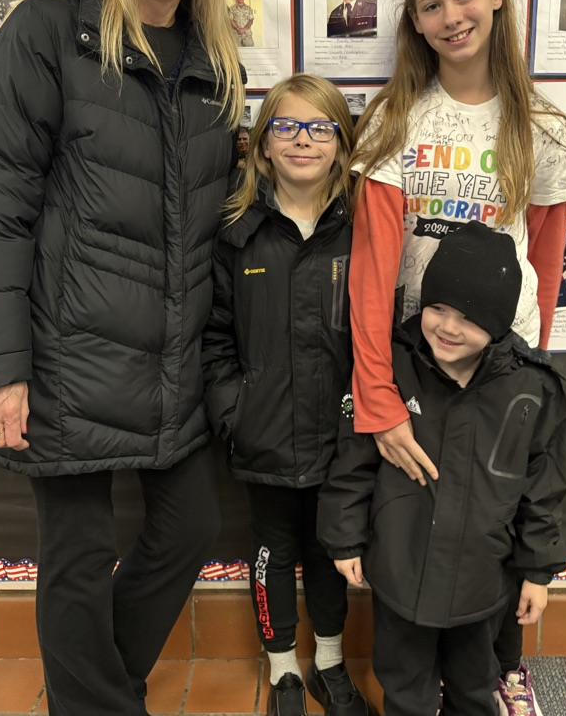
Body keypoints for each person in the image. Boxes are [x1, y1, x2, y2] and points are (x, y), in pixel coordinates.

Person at [0, 0, 245, 716]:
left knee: (193, 526)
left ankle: (91, 692)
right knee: (78, 555)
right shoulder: (47, 29)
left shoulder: (212, 57)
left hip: (172, 357)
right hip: (66, 353)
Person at [347, 0, 566, 715]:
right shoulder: (396, 118)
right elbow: (375, 272)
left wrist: (532, 373)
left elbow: (545, 261)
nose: (451, 15)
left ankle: (485, 681)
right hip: (415, 368)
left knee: (487, 528)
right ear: (414, 21)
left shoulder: (544, 127)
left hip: (494, 373)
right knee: (415, 530)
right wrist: (377, 395)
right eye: (430, 4)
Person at [319, 221, 566, 716]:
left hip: (483, 584)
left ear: (499, 323)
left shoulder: (533, 390)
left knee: (475, 691)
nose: (448, 327)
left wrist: (537, 571)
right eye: (437, 308)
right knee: (405, 690)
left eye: (469, 317)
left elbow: (544, 490)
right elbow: (353, 460)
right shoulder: (390, 366)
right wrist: (344, 536)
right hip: (400, 570)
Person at [203, 74, 371, 716]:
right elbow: (213, 333)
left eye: (320, 127)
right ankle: (282, 672)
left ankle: (330, 663)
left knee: (333, 548)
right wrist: (233, 411)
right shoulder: (236, 228)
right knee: (272, 550)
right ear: (262, 144)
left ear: (341, 141)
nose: (303, 140)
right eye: (287, 127)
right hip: (263, 431)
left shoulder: (362, 226)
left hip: (342, 434)